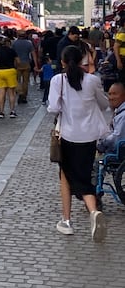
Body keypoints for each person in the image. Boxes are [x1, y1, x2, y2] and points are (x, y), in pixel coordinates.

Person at [47, 45, 109, 242]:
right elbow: (104, 104)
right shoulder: (92, 80)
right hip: (89, 136)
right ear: (83, 60)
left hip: (67, 135)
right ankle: (93, 211)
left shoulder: (58, 80)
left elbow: (53, 107)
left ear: (63, 62)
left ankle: (66, 220)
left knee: (65, 176)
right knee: (83, 176)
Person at [0, 37, 18, 119]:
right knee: (11, 93)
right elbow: (18, 61)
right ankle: (12, 111)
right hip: (10, 71)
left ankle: (1, 112)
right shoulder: (12, 51)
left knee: (1, 92)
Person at [97, 80, 125, 155]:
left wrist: (101, 145)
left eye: (115, 94)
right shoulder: (118, 112)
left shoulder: (123, 115)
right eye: (109, 94)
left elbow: (116, 138)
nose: (111, 97)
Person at [12, 30, 37, 104]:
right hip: (26, 63)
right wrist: (36, 64)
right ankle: (24, 96)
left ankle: (20, 92)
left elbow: (12, 54)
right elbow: (34, 54)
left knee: (17, 80)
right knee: (25, 81)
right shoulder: (29, 43)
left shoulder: (14, 43)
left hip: (17, 64)